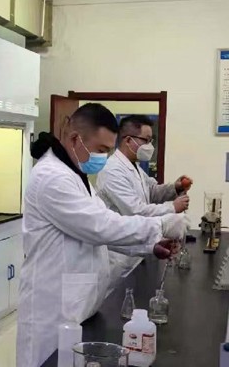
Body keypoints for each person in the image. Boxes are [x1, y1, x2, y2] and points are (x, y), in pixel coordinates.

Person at [16, 104, 189, 367]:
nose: (104, 158)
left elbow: (101, 233)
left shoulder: (76, 174)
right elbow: (101, 226)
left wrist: (150, 247)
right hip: (52, 309)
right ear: (75, 139)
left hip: (76, 304)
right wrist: (161, 225)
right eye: (101, 149)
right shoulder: (52, 178)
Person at [97, 114, 192, 288]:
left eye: (151, 141)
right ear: (128, 140)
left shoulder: (135, 167)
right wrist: (172, 208)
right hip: (119, 257)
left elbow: (151, 191)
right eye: (146, 140)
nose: (150, 146)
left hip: (138, 252)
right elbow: (136, 210)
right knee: (118, 300)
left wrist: (175, 188)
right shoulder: (112, 170)